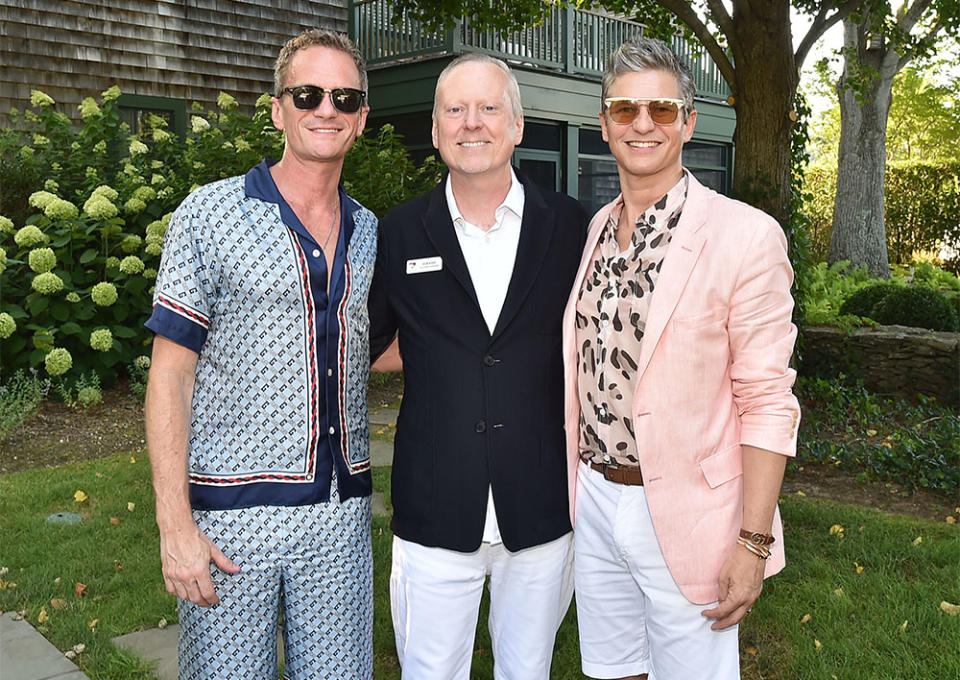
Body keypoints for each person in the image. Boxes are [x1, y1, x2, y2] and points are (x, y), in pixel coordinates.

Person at [562, 36, 801, 679]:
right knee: (614, 671)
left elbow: (768, 399)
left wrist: (752, 541)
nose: (643, 124)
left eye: (661, 110)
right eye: (625, 109)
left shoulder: (744, 236)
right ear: (604, 122)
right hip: (595, 497)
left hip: (693, 512)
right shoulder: (594, 231)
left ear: (688, 123)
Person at [144, 29, 376, 680]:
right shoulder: (210, 213)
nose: (325, 108)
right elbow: (170, 376)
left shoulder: (372, 230)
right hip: (229, 525)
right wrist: (174, 526)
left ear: (361, 118)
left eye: (343, 97)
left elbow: (366, 344)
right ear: (279, 109)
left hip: (339, 517)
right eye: (307, 94)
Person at [368, 52, 587, 680]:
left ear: (517, 125)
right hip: (436, 506)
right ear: (435, 129)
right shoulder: (400, 233)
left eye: (489, 108)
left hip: (541, 506)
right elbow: (375, 344)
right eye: (455, 110)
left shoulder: (573, 225)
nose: (473, 123)